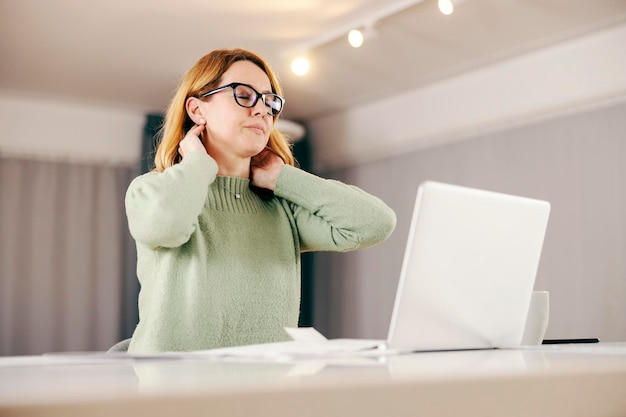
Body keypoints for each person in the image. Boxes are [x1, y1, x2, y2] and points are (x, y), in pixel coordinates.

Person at [125, 48, 396, 353]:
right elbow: (167, 225)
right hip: (174, 396)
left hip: (265, 395)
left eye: (269, 101)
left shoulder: (280, 209)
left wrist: (283, 178)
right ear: (197, 110)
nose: (262, 110)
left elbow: (375, 223)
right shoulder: (151, 190)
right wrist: (197, 166)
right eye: (244, 95)